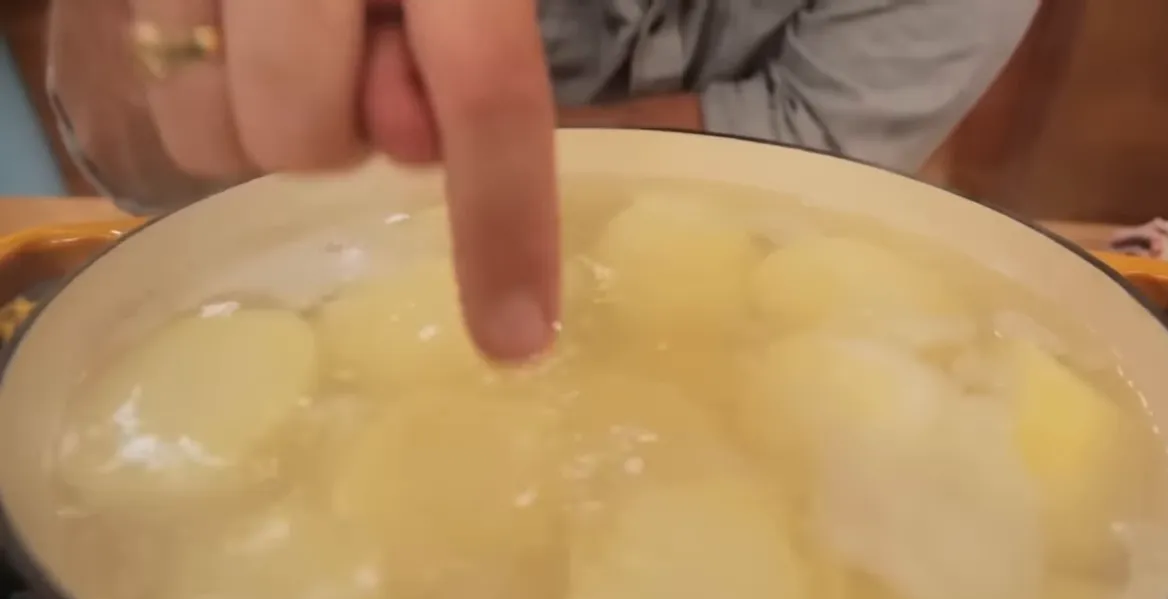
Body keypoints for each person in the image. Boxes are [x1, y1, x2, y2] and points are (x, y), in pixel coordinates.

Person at [47, 0, 1038, 362]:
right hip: (290, 298)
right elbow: (131, 155)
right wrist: (160, 42)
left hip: (738, 333)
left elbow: (808, 149)